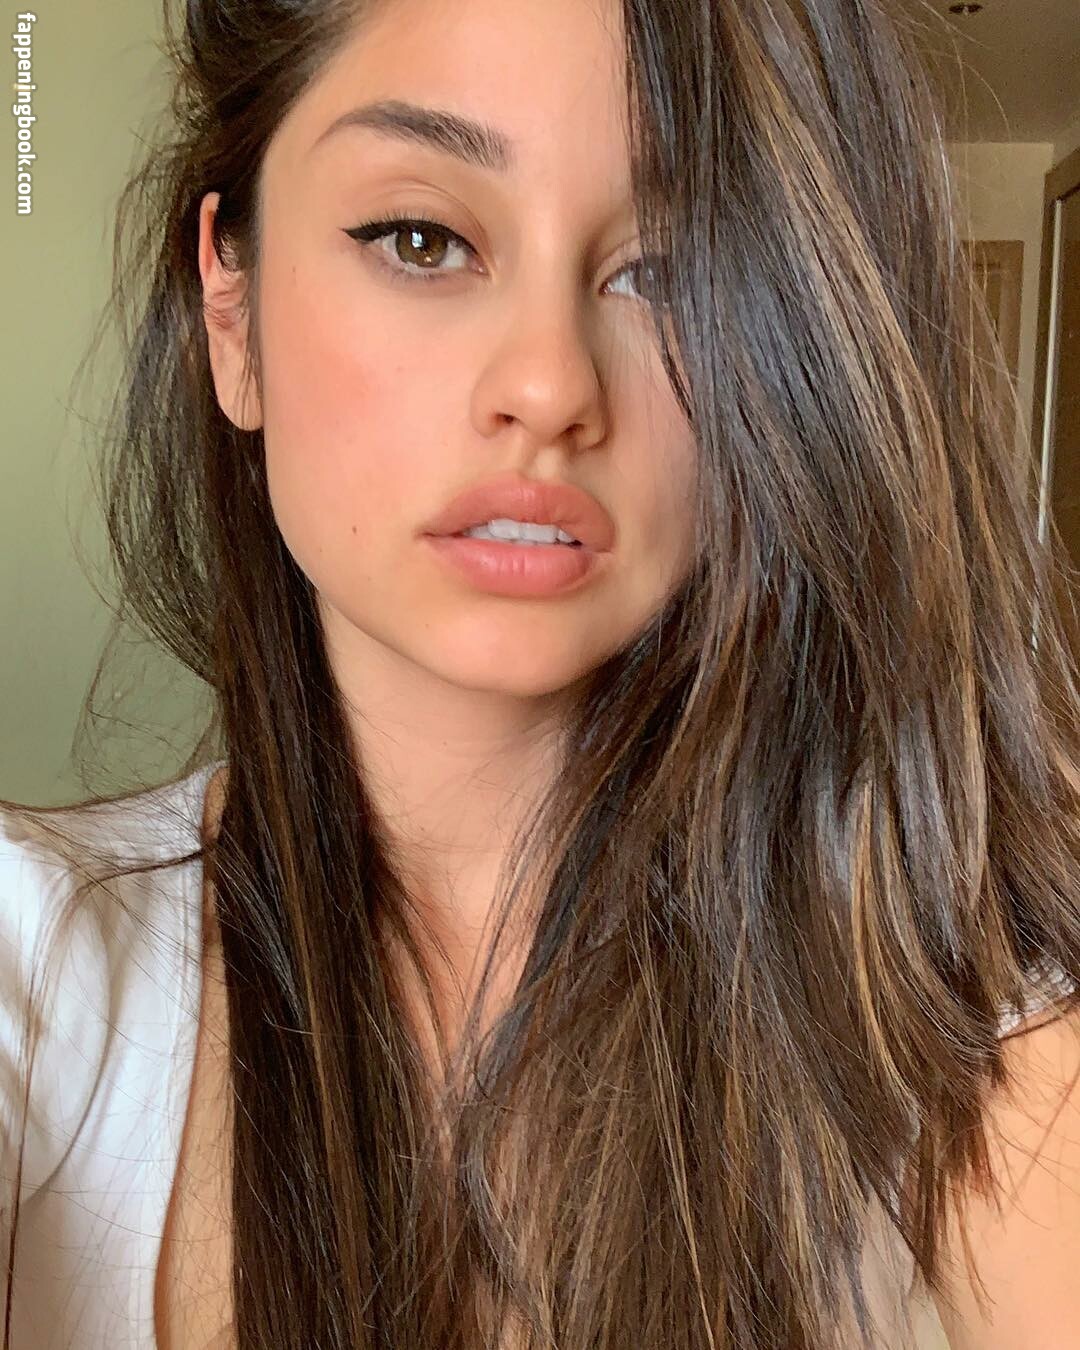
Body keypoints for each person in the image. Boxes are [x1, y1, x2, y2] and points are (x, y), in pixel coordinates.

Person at [2, 0, 1079, 1346]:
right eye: (422, 238)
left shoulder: (957, 1004)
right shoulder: (33, 958)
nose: (552, 384)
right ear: (233, 313)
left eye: (671, 270)